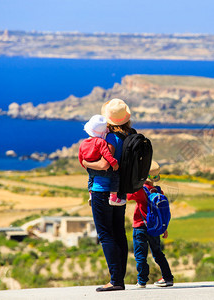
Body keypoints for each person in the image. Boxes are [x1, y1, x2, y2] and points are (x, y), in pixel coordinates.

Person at [82, 98, 133, 292]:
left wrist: (87, 164)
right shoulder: (129, 135)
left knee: (105, 235)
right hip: (119, 190)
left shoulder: (111, 138)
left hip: (102, 191)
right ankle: (119, 278)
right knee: (119, 232)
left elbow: (104, 165)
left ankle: (115, 280)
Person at [127, 161, 174, 288]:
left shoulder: (139, 191)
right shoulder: (159, 191)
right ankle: (168, 277)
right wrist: (164, 228)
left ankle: (142, 281)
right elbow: (161, 212)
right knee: (158, 253)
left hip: (140, 227)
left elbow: (126, 196)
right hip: (155, 227)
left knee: (140, 255)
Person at [78, 114, 124, 206]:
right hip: (102, 171)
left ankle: (90, 194)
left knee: (91, 179)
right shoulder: (101, 142)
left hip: (90, 169)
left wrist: (85, 166)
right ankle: (113, 197)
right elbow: (107, 154)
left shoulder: (83, 143)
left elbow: (81, 157)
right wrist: (114, 163)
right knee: (115, 175)